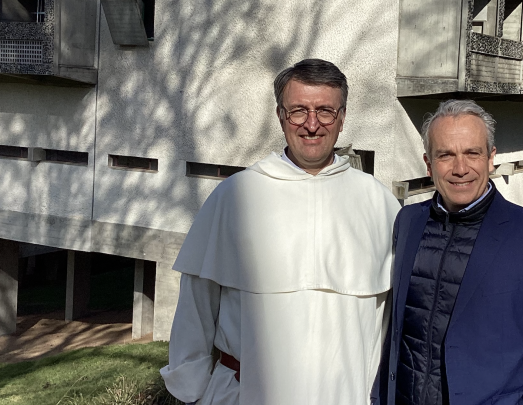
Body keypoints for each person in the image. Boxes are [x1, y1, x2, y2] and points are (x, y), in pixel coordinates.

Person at [161, 58, 401, 405]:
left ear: (343, 117)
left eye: (325, 111)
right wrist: (194, 393)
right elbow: (195, 308)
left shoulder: (379, 203)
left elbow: (394, 319)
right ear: (280, 115)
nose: (312, 124)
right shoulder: (235, 197)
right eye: (298, 111)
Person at [377, 100, 523, 405]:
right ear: (428, 163)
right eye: (446, 155)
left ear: (491, 157)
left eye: (472, 153)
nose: (460, 168)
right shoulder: (409, 221)